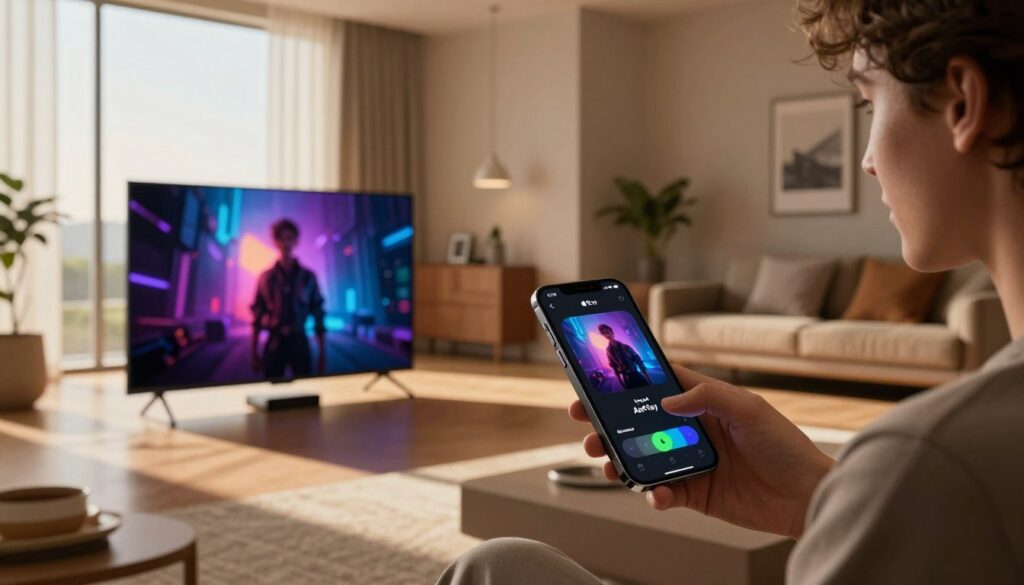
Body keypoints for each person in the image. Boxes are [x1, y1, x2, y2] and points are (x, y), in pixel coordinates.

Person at [436, 0, 1024, 583]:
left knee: (493, 568)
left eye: (869, 102)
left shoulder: (931, 459)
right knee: (503, 562)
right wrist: (822, 496)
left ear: (962, 103)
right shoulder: (944, 465)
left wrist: (871, 493)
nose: (867, 159)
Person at [251, 218, 327, 378]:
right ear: (276, 242)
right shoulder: (266, 278)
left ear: (296, 241)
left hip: (299, 340)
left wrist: (322, 355)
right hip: (274, 342)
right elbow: (257, 317)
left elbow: (319, 315)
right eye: (281, 239)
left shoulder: (308, 277)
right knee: (271, 390)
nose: (286, 243)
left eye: (289, 238)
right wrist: (254, 354)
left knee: (305, 390)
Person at [599, 323, 652, 390]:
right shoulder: (609, 351)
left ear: (612, 332)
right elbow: (613, 366)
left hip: (636, 374)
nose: (607, 335)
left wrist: (647, 377)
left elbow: (637, 359)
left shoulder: (625, 347)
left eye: (607, 332)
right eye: (604, 334)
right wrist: (621, 382)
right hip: (626, 378)